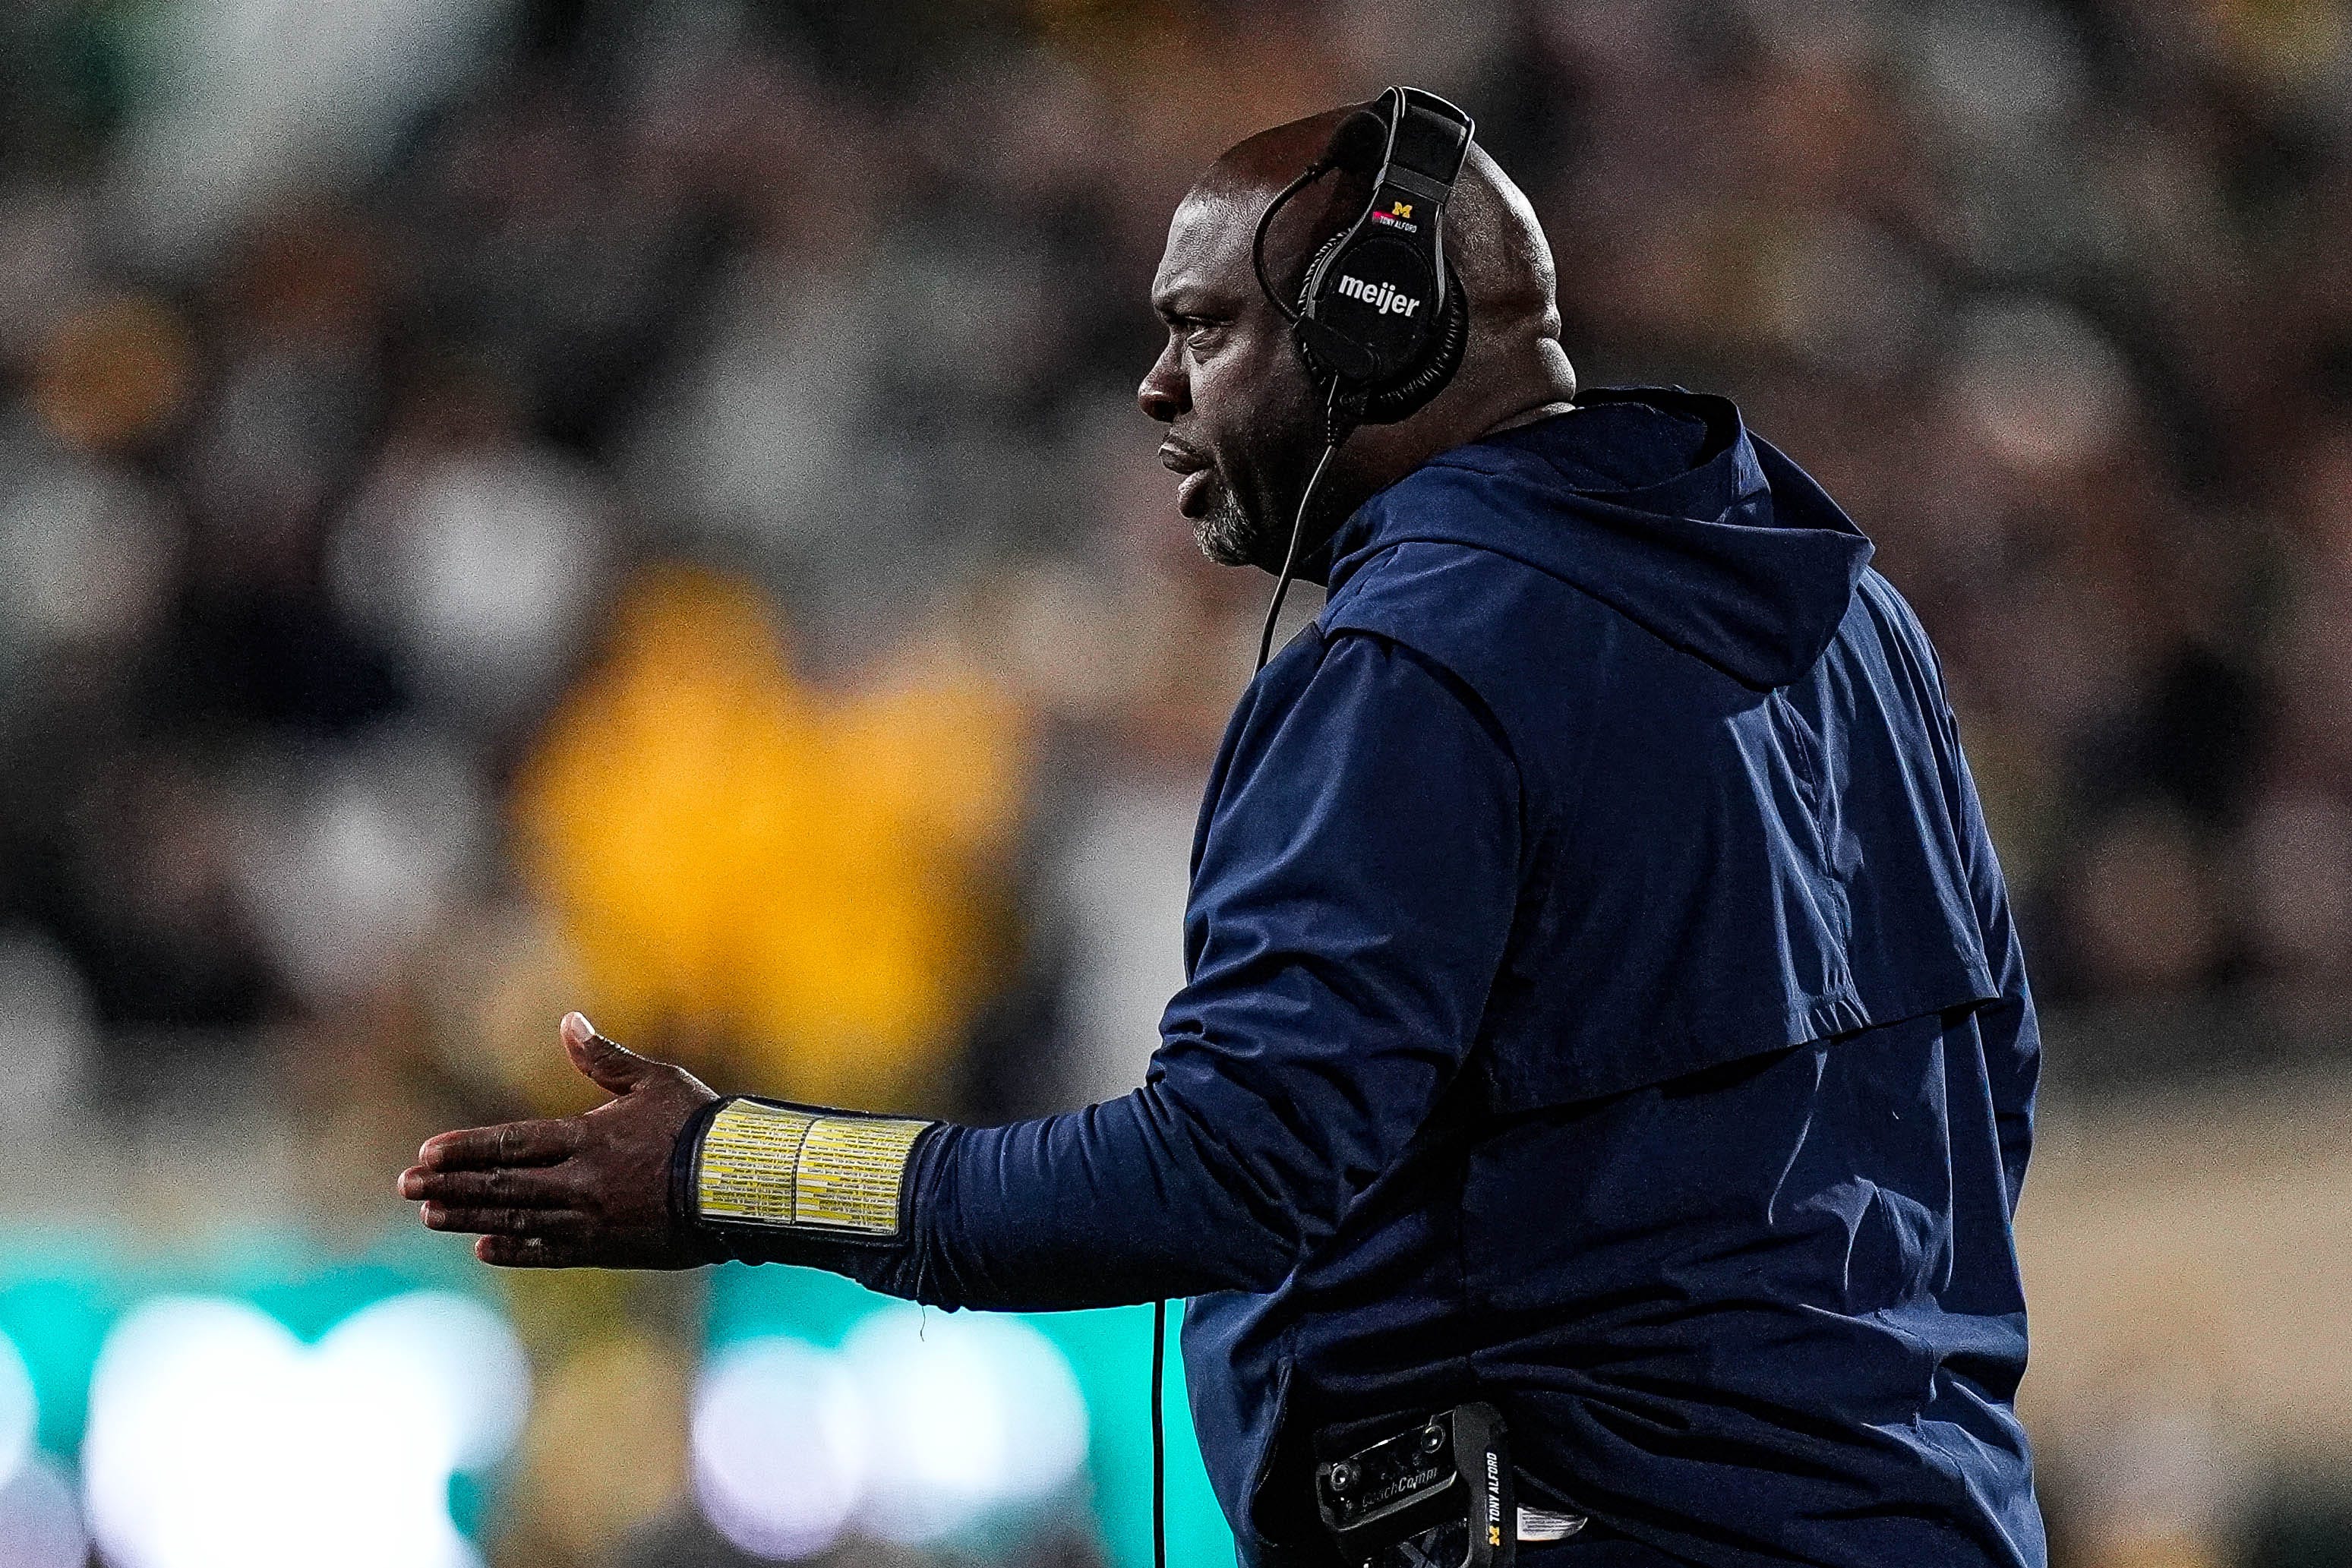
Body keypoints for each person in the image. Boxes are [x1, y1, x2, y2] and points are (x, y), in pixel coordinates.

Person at [401, 99, 2046, 1568]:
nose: (1156, 387)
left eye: (1201, 328)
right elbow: (1990, 1086)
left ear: (1372, 339)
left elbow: (1226, 1165)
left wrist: (729, 1165)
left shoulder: (1418, 663)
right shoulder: (1850, 613)